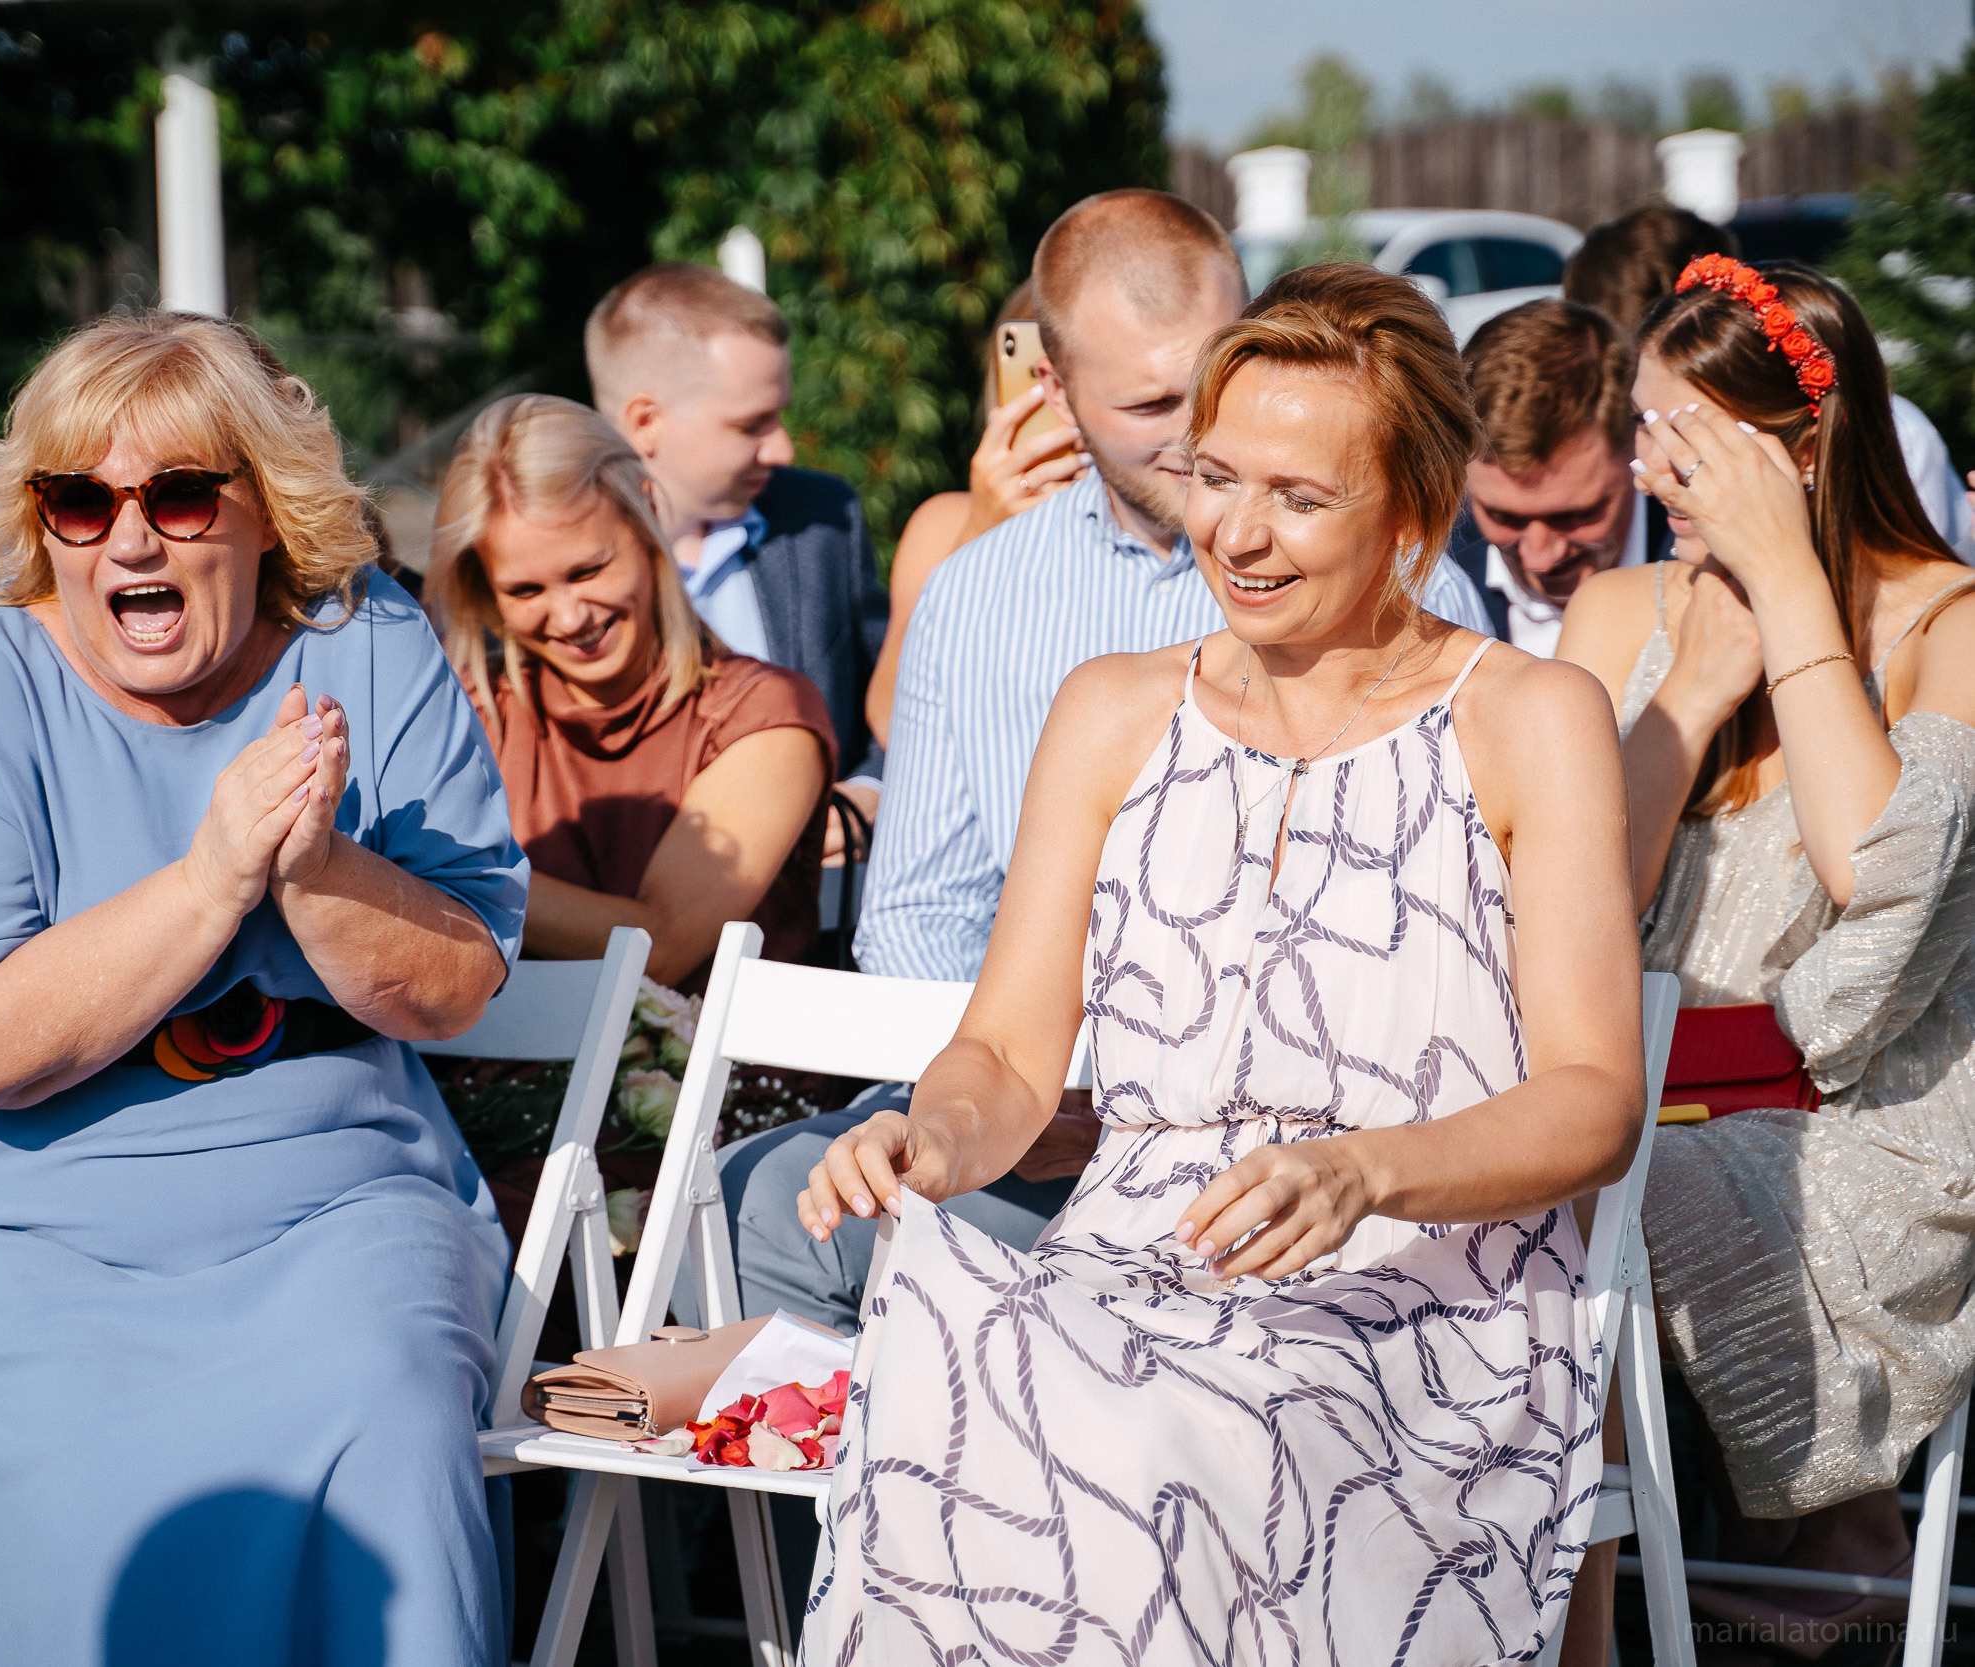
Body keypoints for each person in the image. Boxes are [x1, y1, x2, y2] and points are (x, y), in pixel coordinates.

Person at [798, 261, 1643, 1662]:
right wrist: (927, 1140)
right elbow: (1006, 1053)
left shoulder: (1528, 717)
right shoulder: (1113, 708)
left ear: (1415, 514)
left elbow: (1596, 1099)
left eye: (1300, 498)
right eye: (1217, 476)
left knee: (1133, 1440)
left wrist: (1366, 1164)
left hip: (1417, 1295)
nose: (1238, 533)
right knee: (950, 1352)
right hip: (1129, 1264)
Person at [0, 312, 525, 1664]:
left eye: (181, 493)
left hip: (330, 1190)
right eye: (80, 500)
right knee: (53, 1449)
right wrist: (210, 880)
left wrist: (312, 868)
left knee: (385, 1403)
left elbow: (458, 982)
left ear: (267, 510)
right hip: (3, 1212)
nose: (128, 538)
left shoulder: (365, 638)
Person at [718, 190, 1494, 1345]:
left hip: (1311, 1134)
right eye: (1146, 402)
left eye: (1214, 381)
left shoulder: (1397, 583)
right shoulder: (980, 589)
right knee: (757, 1212)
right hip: (1021, 1101)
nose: (1194, 439)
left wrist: (1154, 1092)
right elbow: (921, 907)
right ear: (1054, 389)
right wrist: (1026, 1090)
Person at [1556, 255, 1975, 1643]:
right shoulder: (1628, 614)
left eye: (1685, 440)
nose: (1650, 472)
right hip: (1650, 1076)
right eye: (1645, 431)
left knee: (1591, 1195)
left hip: (1872, 1122)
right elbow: (1566, 910)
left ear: (1797, 451)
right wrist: (1689, 689)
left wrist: (1791, 592)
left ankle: (1600, 1605)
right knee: (1545, 1163)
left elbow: (1877, 881)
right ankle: (1596, 1589)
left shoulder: (1945, 624)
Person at [432, 395, 835, 988]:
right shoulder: (467, 711)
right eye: (525, 591)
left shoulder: (764, 715)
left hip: (705, 1075)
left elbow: (661, 949)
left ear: (647, 514)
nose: (570, 618)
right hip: (486, 1074)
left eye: (588, 571)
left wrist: (446, 877)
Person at [584, 263, 887, 857]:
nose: (783, 447)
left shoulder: (822, 520)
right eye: (752, 424)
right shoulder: (552, 570)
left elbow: (901, 696)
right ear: (646, 422)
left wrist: (875, 788)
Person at [1567, 202, 1971, 558]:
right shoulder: (1623, 598)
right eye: (1641, 419)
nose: (1648, 473)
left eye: (1690, 428)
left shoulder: (1901, 437)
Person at [863, 280, 1090, 739]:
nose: (1069, 405)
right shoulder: (948, 521)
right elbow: (891, 719)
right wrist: (984, 529)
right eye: (1042, 377)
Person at [1446, 298, 1667, 654]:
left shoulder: (1706, 563)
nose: (1539, 558)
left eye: (1574, 516)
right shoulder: (1424, 581)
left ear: (1638, 447)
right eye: (1504, 517)